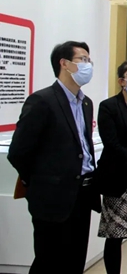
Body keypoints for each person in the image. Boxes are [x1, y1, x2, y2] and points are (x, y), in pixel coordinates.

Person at [8, 41, 101, 273]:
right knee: (49, 261)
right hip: (51, 198)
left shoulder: (86, 102)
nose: (88, 65)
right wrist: (37, 181)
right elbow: (19, 151)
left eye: (89, 60)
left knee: (75, 259)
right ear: (64, 64)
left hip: (82, 194)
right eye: (83, 60)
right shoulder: (43, 101)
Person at [95, 59, 127, 274]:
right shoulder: (109, 107)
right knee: (115, 234)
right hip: (119, 178)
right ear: (121, 81)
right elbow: (112, 142)